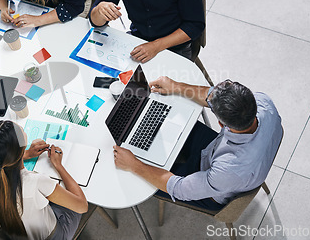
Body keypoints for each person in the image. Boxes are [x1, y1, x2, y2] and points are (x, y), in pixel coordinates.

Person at [114, 78, 283, 211]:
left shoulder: (227, 171)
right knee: (167, 119)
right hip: (217, 153)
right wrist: (176, 86)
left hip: (215, 185)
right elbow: (211, 96)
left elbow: (178, 188)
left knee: (132, 178)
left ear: (221, 125)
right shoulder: (263, 103)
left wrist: (135, 165)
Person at [0, 120, 88, 239]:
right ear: (22, 145)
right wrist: (58, 165)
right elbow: (82, 206)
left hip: (18, 231)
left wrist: (25, 154)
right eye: (22, 129)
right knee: (77, 195)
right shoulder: (36, 181)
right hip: (53, 236)